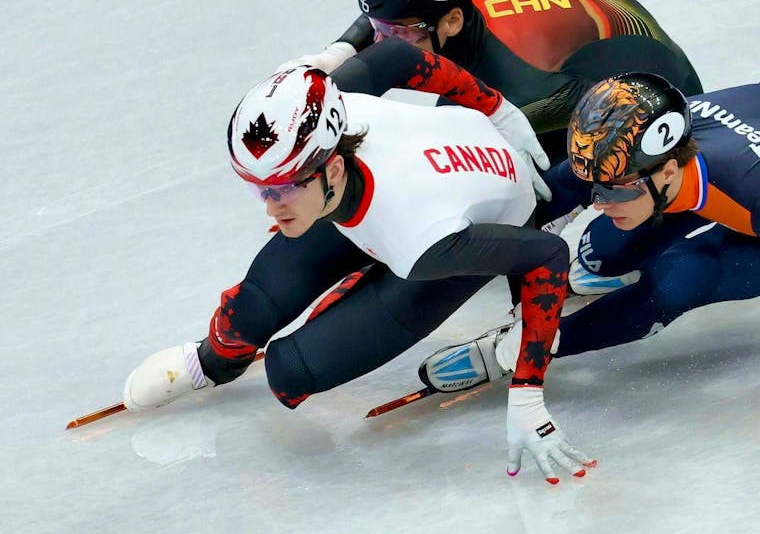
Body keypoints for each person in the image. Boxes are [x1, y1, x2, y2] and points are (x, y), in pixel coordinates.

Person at [123, 59, 594, 484]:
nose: (270, 206)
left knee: (292, 371)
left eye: (282, 188)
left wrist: (528, 388)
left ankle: (356, 283)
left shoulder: (419, 238)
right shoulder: (334, 104)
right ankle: (210, 362)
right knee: (250, 311)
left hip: (451, 239)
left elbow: (547, 255)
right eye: (258, 189)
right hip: (397, 193)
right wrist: (495, 108)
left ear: (330, 166)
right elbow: (402, 58)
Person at [423, 70, 760, 402]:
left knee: (683, 277)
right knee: (600, 252)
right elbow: (551, 198)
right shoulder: (636, 151)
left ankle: (518, 349)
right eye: (595, 188)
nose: (601, 203)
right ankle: (626, 260)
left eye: (617, 191)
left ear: (669, 171)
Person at [302, 0, 703, 163]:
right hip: (594, 35)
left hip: (651, 82)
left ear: (453, 21)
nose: (382, 41)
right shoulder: (441, 2)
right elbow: (388, 17)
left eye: (397, 33)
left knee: (477, 144)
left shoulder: (517, 79)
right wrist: (339, 52)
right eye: (380, 29)